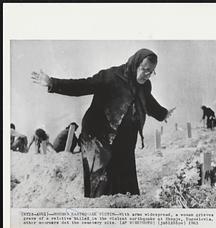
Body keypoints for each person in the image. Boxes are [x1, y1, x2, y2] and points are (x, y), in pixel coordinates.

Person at [31, 48, 175, 198]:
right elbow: (83, 85)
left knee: (126, 180)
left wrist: (163, 113)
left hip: (123, 137)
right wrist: (52, 83)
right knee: (101, 179)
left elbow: (148, 102)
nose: (147, 74)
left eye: (151, 72)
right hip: (97, 135)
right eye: (145, 69)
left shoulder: (144, 85)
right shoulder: (111, 76)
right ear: (135, 64)